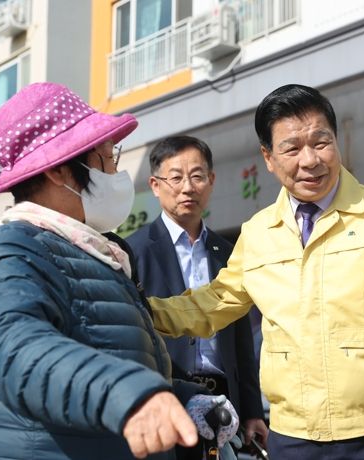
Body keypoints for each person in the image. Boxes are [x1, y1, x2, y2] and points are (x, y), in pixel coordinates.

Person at [149, 84, 364, 460]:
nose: (310, 160)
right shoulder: (258, 232)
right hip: (292, 438)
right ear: (268, 158)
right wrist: (141, 310)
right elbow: (213, 303)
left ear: (336, 141)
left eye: (321, 142)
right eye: (292, 148)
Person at [0, 82, 238, 459]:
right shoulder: (11, 252)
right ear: (58, 171)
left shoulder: (96, 252)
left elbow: (119, 356)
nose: (116, 172)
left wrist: (182, 396)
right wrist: (135, 394)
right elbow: (21, 356)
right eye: (107, 158)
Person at [126, 135, 268, 457]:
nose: (188, 188)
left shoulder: (228, 252)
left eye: (197, 176)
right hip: (166, 396)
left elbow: (241, 339)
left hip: (225, 402)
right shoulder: (134, 252)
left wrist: (251, 411)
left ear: (211, 181)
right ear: (155, 185)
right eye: (176, 178)